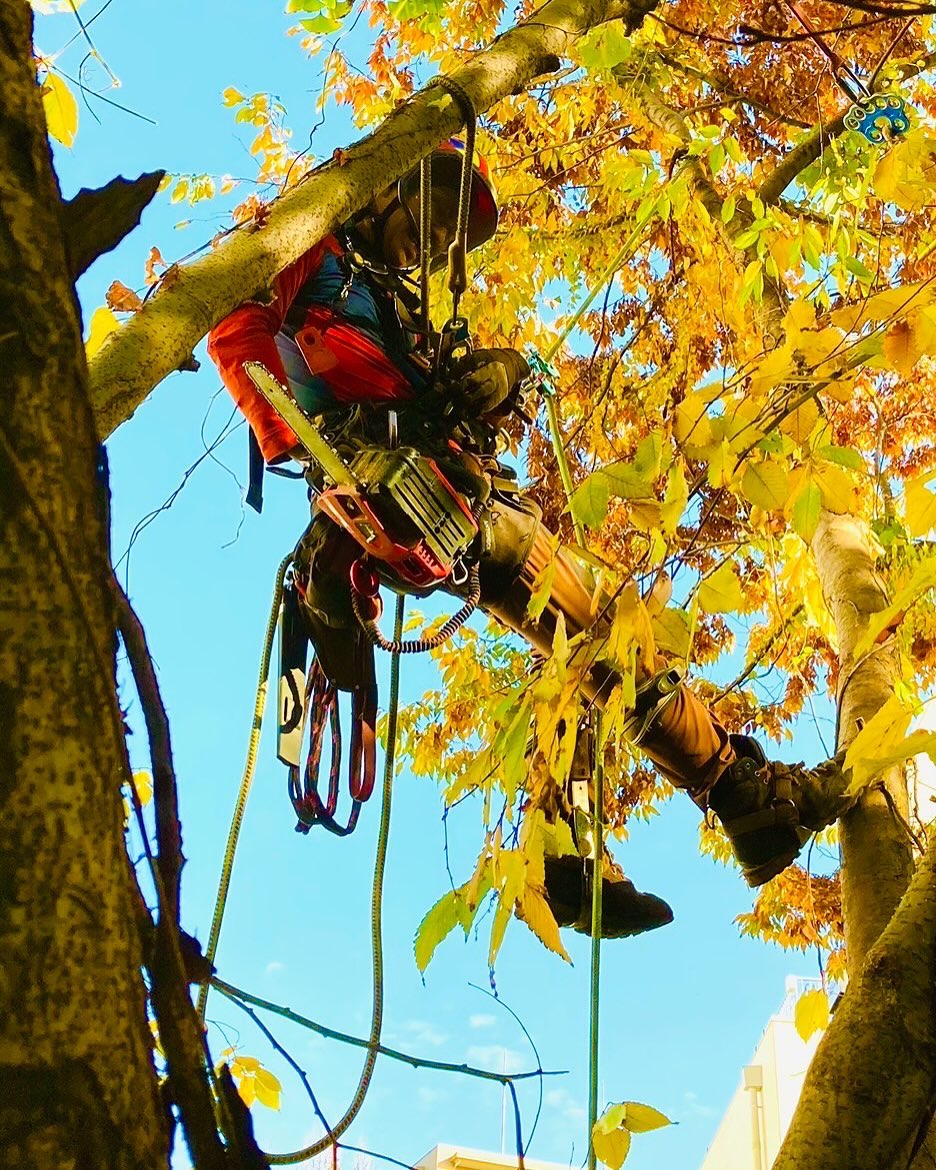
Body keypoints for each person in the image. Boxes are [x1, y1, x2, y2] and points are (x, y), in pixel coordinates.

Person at [208, 141, 848, 941]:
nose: (434, 244)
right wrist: (304, 446)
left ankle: (586, 845)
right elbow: (235, 320)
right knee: (603, 626)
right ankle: (737, 799)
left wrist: (504, 373)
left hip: (453, 498)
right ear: (384, 193)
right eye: (431, 218)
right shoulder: (314, 249)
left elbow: (492, 380)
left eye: (451, 236)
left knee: (598, 641)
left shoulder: (405, 310)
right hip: (387, 490)